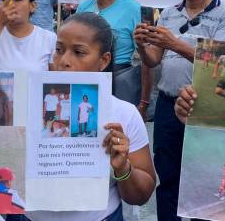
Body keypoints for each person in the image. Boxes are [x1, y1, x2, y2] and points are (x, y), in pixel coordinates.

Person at [133, 0, 225, 220]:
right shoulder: (169, 13)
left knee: (203, 174)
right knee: (167, 175)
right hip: (169, 104)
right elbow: (155, 60)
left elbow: (224, 63)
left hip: (203, 106)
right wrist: (143, 46)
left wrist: (174, 43)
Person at [24, 12, 156, 221]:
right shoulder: (26, 104)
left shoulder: (124, 113)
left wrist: (123, 168)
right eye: (59, 50)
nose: (64, 61)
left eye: (79, 52)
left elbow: (142, 195)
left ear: (103, 60)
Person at [76, 0, 142, 107]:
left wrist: (144, 101)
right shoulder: (83, 7)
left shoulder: (133, 9)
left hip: (117, 82)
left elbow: (147, 59)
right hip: (84, 79)